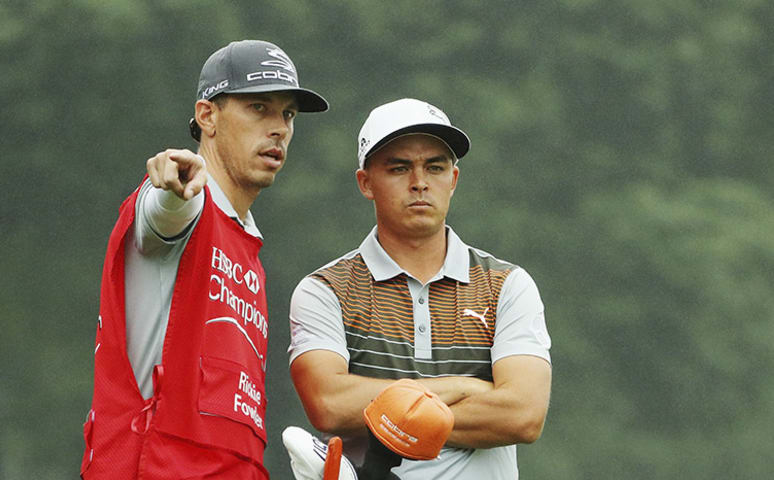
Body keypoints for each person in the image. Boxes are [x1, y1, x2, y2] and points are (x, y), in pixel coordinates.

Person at [79, 39, 328, 479]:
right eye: (259, 108)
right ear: (207, 115)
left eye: (287, 114)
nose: (279, 128)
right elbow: (169, 207)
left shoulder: (247, 244)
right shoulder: (185, 203)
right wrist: (173, 187)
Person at [287, 98, 552, 479]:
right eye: (399, 168)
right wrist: (466, 387)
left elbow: (523, 415)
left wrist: (390, 421)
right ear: (366, 183)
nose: (420, 182)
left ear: (453, 180)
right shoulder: (325, 290)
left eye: (435, 167)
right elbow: (329, 404)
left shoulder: (507, 286)